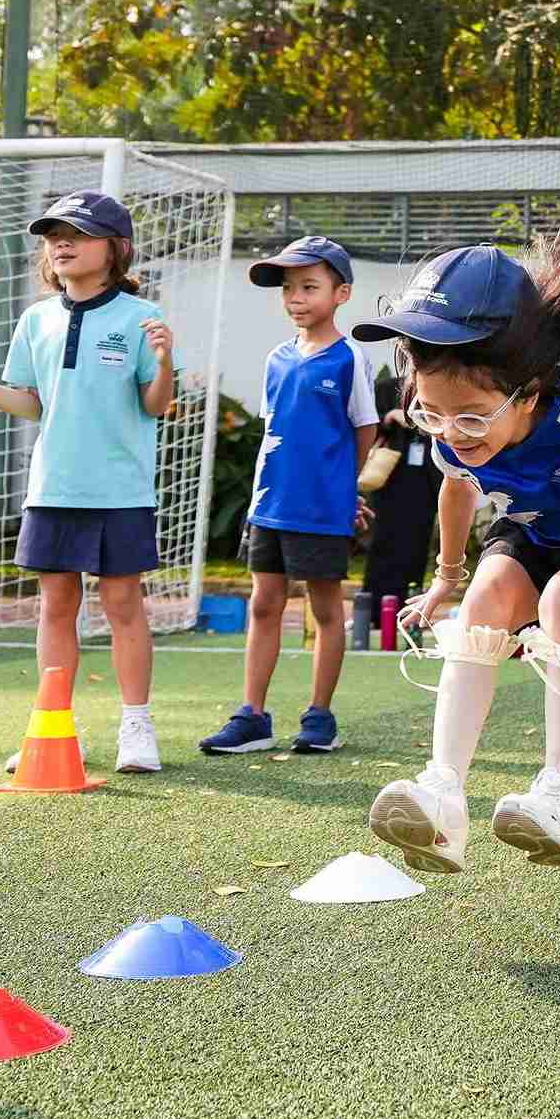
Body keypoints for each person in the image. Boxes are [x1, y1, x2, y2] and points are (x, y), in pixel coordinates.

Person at [356, 209, 560, 874]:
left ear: (528, 395)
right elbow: (455, 488)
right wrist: (447, 574)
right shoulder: (453, 430)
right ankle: (442, 792)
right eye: (430, 413)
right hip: (532, 531)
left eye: (470, 416)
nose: (450, 431)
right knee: (485, 597)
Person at [0, 192, 175, 775]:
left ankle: (137, 728)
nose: (61, 244)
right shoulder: (35, 319)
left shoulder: (141, 320)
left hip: (121, 490)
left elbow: (158, 405)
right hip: (53, 488)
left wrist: (165, 362)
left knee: (122, 604)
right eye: (52, 235)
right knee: (56, 605)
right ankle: (54, 725)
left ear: (115, 248)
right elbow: (32, 403)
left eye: (77, 234)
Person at [199, 237, 378, 758]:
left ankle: (320, 716)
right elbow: (276, 432)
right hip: (269, 506)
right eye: (288, 289)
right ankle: (252, 716)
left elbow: (364, 429)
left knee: (323, 609)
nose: (296, 297)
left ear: (341, 293)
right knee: (264, 604)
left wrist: (345, 490)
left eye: (309, 287)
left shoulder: (350, 360)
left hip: (322, 510)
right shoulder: (277, 359)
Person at [359, 369, 442, 621]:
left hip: (425, 480)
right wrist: (391, 417)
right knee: (384, 542)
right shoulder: (386, 388)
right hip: (391, 477)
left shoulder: (440, 385)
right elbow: (367, 424)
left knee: (416, 545)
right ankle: (375, 610)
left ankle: (407, 612)